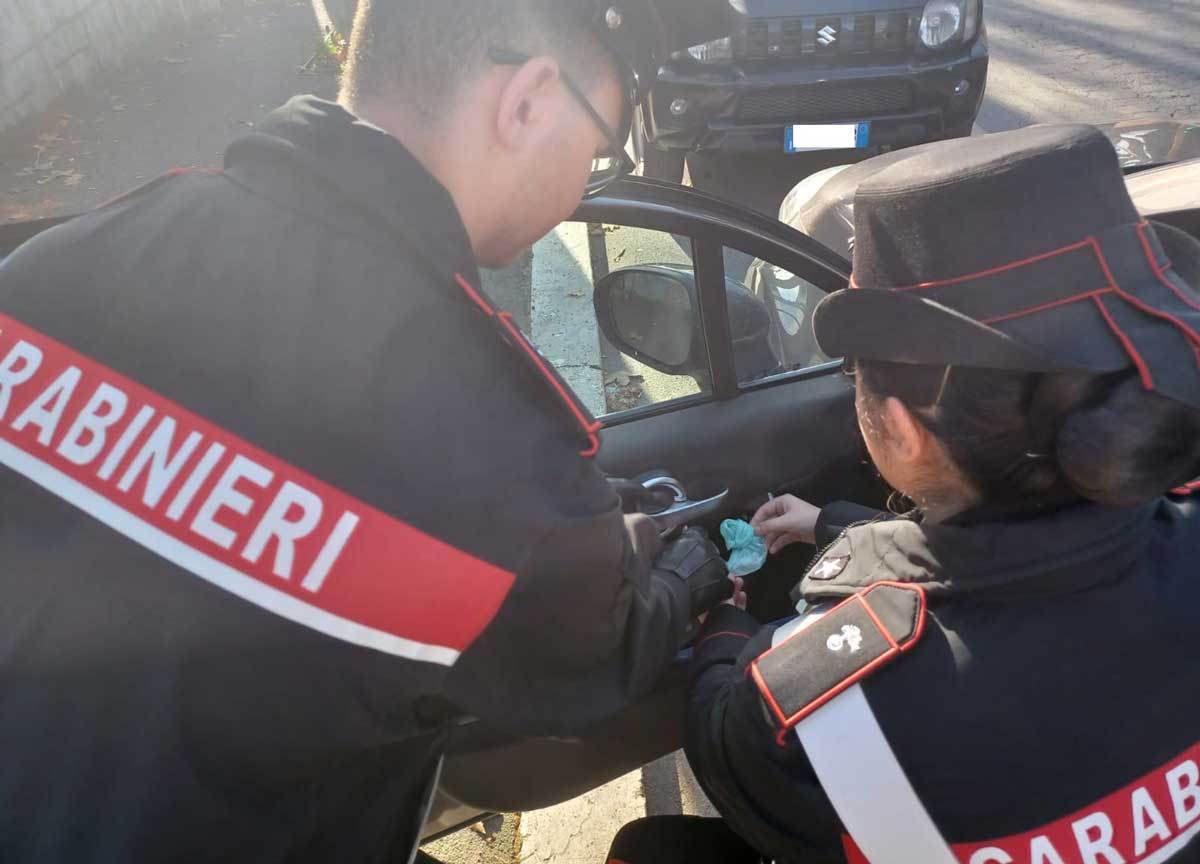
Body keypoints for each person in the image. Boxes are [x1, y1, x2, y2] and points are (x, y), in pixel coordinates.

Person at [0, 2, 735, 861]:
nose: (584, 181)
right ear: (530, 101)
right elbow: (583, 657)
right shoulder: (484, 434)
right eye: (601, 147)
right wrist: (692, 568)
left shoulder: (55, 267)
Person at [608, 124, 1200, 864]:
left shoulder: (823, 702)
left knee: (651, 847)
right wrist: (833, 525)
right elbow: (1009, 567)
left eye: (855, 375)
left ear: (900, 428)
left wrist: (723, 623)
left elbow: (728, 750)